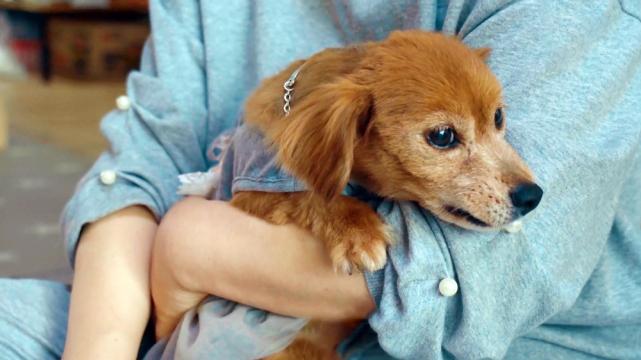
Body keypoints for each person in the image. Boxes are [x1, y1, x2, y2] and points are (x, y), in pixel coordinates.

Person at [1, 0, 640, 359]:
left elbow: (488, 273)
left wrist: (191, 246)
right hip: (189, 309)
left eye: (497, 122)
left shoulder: (565, 13)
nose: (504, 160)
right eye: (446, 138)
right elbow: (140, 165)